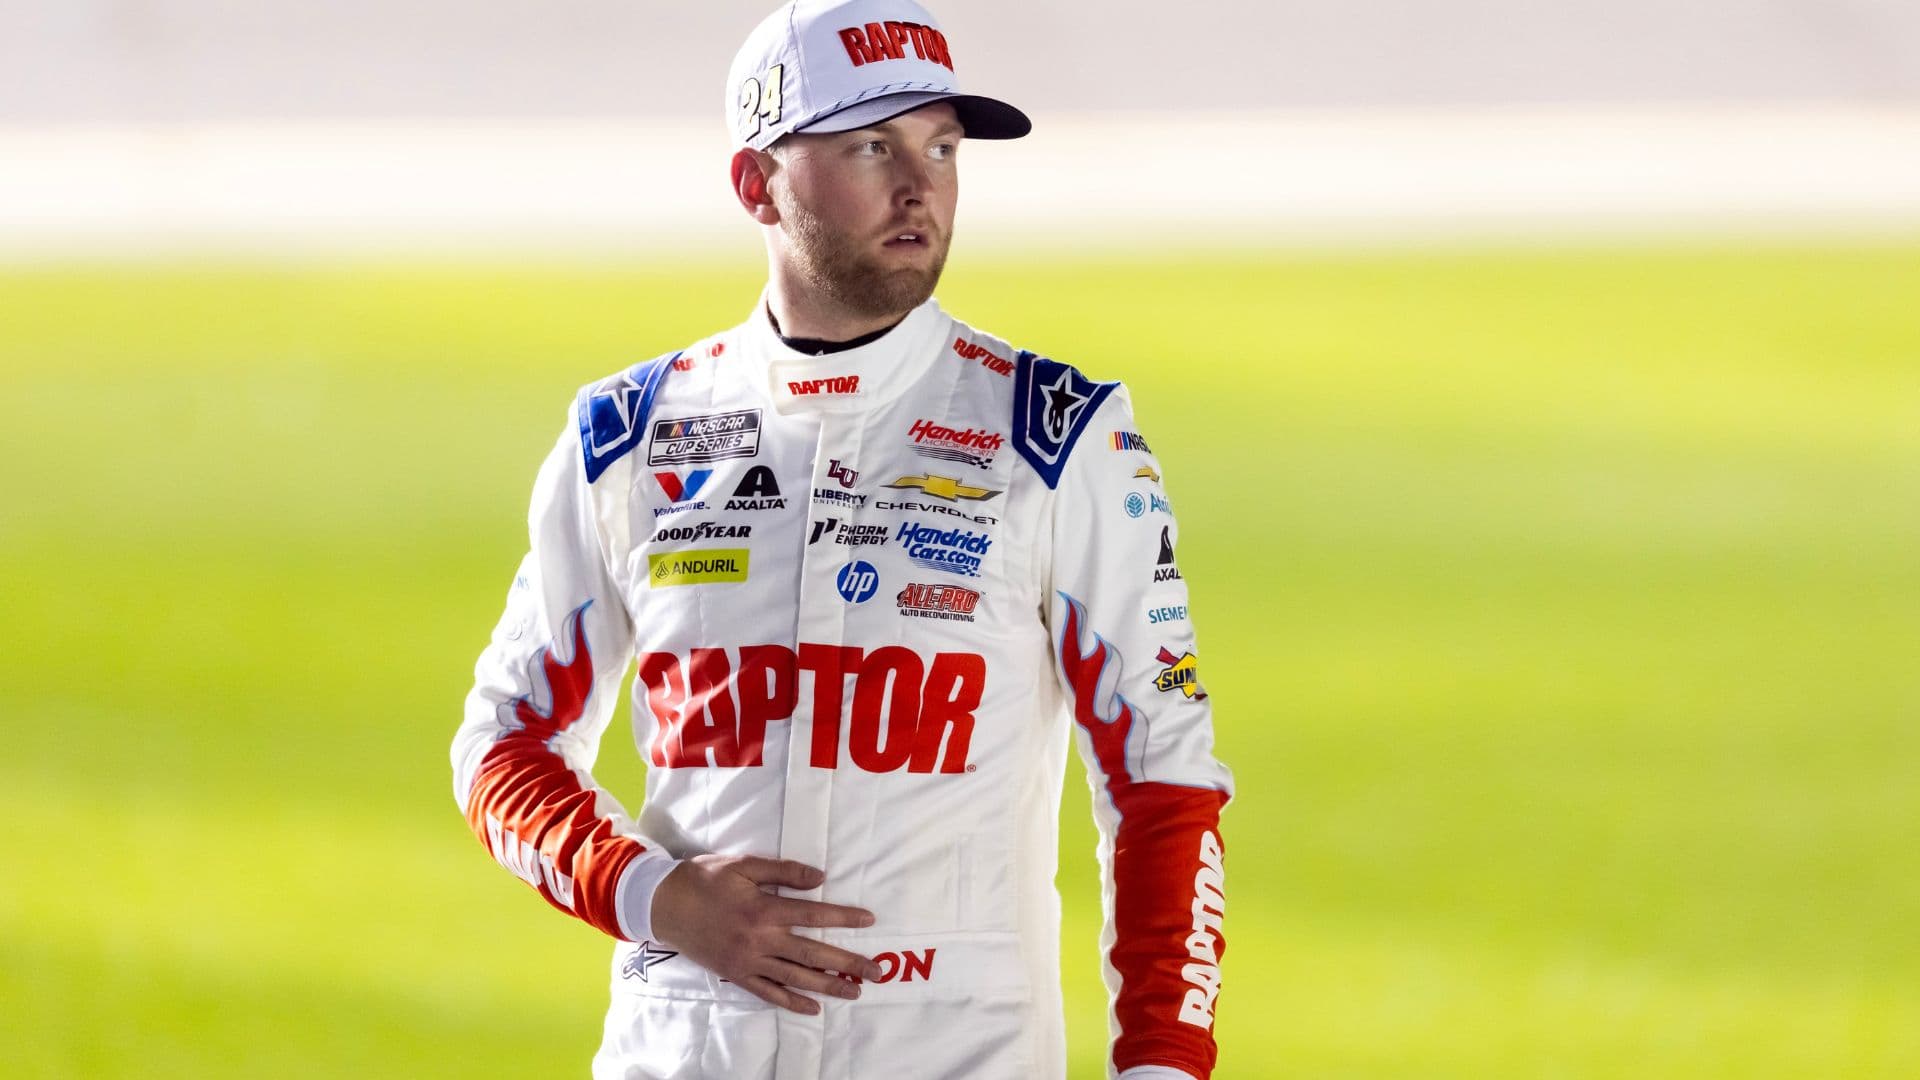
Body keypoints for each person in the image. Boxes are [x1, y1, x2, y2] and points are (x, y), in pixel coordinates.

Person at [449, 1, 1231, 1076]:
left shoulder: (1057, 436)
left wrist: (1159, 1067)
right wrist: (659, 896)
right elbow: (502, 746)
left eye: (942, 146)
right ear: (755, 184)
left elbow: (1162, 781)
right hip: (687, 1051)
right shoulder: (628, 435)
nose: (921, 187)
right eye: (871, 146)